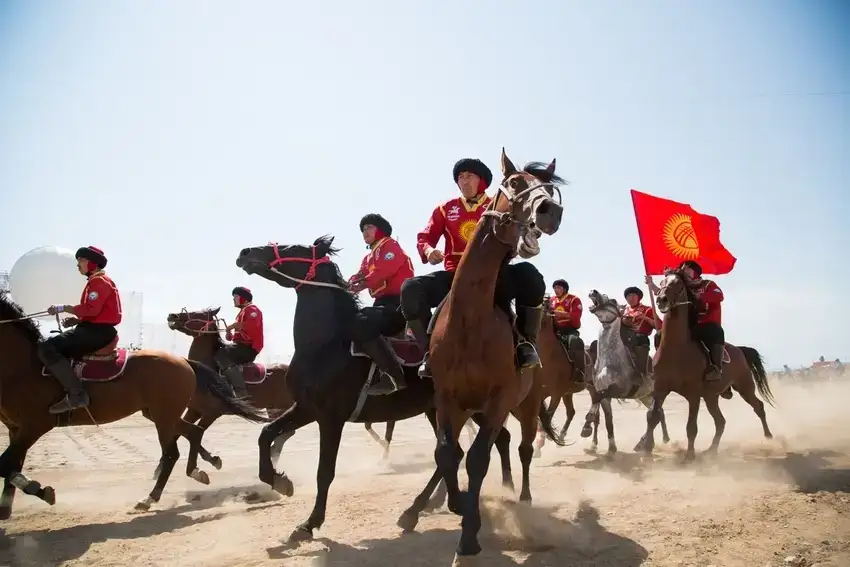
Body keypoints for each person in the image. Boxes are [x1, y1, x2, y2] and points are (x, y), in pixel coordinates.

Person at [400, 158, 546, 378]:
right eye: (460, 177)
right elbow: (425, 238)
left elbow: (520, 228)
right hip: (455, 277)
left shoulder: (498, 205)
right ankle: (429, 351)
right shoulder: (445, 209)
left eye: (469, 176)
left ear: (482, 181)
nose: (464, 181)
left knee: (532, 277)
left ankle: (526, 342)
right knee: (410, 289)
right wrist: (429, 251)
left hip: (494, 276)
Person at [41, 246, 123, 414]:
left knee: (47, 347)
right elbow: (98, 312)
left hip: (98, 332)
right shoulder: (96, 281)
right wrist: (77, 320)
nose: (78, 264)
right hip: (95, 329)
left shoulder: (99, 281)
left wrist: (63, 307)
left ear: (93, 263)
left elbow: (91, 309)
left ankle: (77, 395)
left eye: (81, 260)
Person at [348, 213, 414, 393]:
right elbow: (358, 276)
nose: (365, 232)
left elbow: (382, 271)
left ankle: (394, 376)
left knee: (362, 320)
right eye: (363, 229)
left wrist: (359, 285)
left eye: (369, 227)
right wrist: (344, 286)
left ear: (381, 230)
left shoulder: (390, 245)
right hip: (380, 306)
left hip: (399, 305)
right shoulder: (367, 258)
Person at [646, 260, 724, 380]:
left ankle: (717, 368)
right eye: (683, 270)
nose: (684, 272)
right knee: (659, 335)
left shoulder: (708, 284)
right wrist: (651, 284)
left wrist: (701, 296)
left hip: (705, 323)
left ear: (696, 273)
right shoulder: (681, 286)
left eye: (687, 270)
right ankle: (662, 365)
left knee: (715, 331)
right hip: (687, 325)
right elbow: (665, 293)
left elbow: (719, 295)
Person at [217, 286, 264, 398]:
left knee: (221, 354)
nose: (234, 299)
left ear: (244, 298)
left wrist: (234, 325)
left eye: (236, 296)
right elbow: (240, 334)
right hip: (241, 346)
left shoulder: (252, 309)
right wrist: (230, 335)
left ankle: (240, 390)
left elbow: (253, 325)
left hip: (249, 348)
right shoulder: (242, 312)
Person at [548, 279, 585, 382]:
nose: (556, 290)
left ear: (564, 289)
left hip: (569, 330)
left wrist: (559, 314)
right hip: (553, 330)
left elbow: (576, 316)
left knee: (575, 341)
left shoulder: (574, 299)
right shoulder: (550, 300)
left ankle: (579, 371)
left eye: (558, 287)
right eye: (555, 288)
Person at [621, 286, 658, 376]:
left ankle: (642, 376)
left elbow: (659, 326)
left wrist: (646, 318)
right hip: (624, 339)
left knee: (640, 370)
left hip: (640, 340)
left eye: (633, 295)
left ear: (639, 297)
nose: (631, 298)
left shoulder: (648, 309)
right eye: (628, 296)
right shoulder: (623, 311)